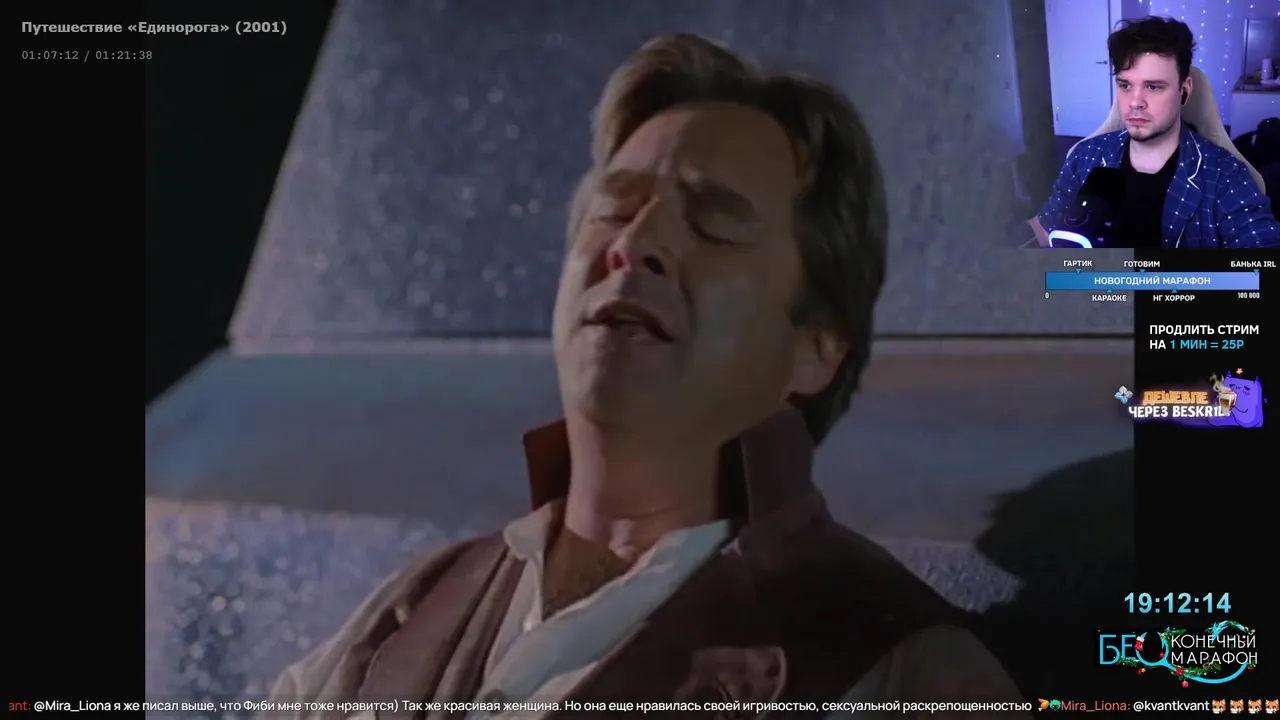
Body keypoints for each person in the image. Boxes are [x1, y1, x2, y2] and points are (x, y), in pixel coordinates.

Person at [266, 34, 1026, 719]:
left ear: (816, 347)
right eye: (613, 209)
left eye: (714, 222)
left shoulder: (891, 670)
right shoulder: (409, 613)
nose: (635, 243)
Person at [1035, 17, 1280, 248]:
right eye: (1125, 85)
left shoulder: (1224, 175)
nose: (1135, 102)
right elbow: (1045, 227)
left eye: (1153, 87)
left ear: (1184, 90)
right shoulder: (1085, 156)